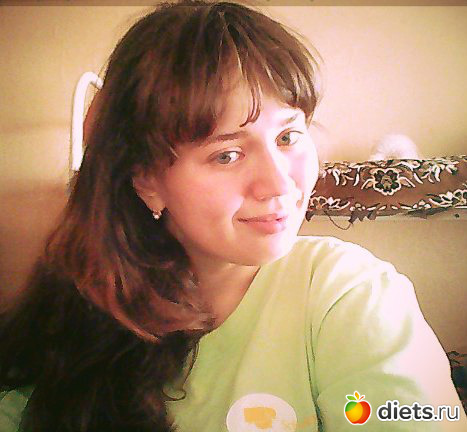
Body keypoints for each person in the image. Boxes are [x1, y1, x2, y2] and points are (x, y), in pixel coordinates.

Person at [0, 1, 465, 431]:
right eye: (226, 155)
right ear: (146, 180)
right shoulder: (80, 308)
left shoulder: (346, 292)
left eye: (288, 137)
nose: (279, 184)